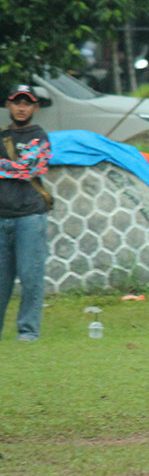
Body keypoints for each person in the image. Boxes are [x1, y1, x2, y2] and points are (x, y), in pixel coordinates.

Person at [0, 85, 52, 342]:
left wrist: (6, 166)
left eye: (27, 103)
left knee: (31, 277)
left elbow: (27, 170)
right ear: (8, 105)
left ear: (35, 108)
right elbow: (17, 167)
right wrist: (10, 166)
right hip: (2, 216)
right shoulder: (2, 136)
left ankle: (28, 333)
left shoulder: (40, 137)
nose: (21, 107)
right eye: (16, 102)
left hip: (30, 217)